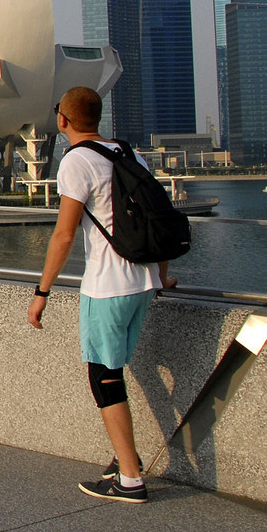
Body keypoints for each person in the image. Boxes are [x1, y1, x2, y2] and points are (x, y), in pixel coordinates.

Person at [28, 86, 177, 504]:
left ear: (63, 121)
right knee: (116, 369)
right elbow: (155, 219)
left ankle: (129, 478)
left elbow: (64, 234)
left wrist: (42, 292)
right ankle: (124, 456)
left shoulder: (76, 161)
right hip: (144, 281)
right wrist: (162, 276)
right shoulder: (130, 155)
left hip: (107, 286)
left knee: (104, 376)